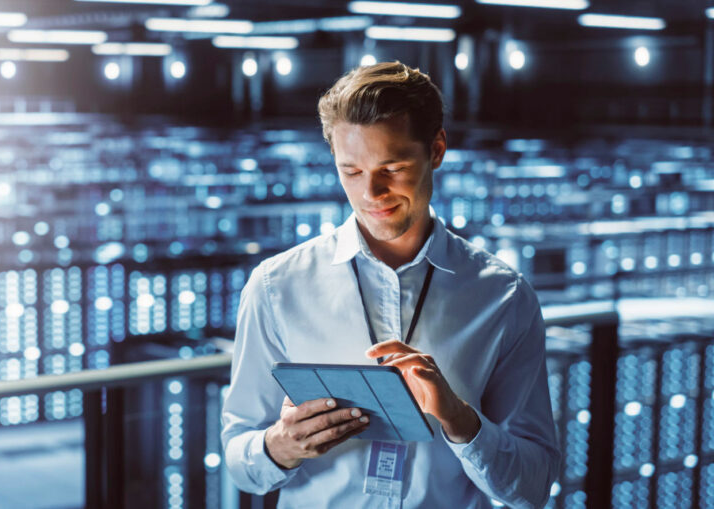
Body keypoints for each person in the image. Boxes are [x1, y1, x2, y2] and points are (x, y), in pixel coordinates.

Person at [220, 61, 560, 508]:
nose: (370, 194)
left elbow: (532, 486)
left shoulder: (503, 297)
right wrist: (280, 446)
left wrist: (461, 421)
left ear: (436, 150)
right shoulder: (275, 287)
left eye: (392, 167)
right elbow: (240, 459)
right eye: (352, 171)